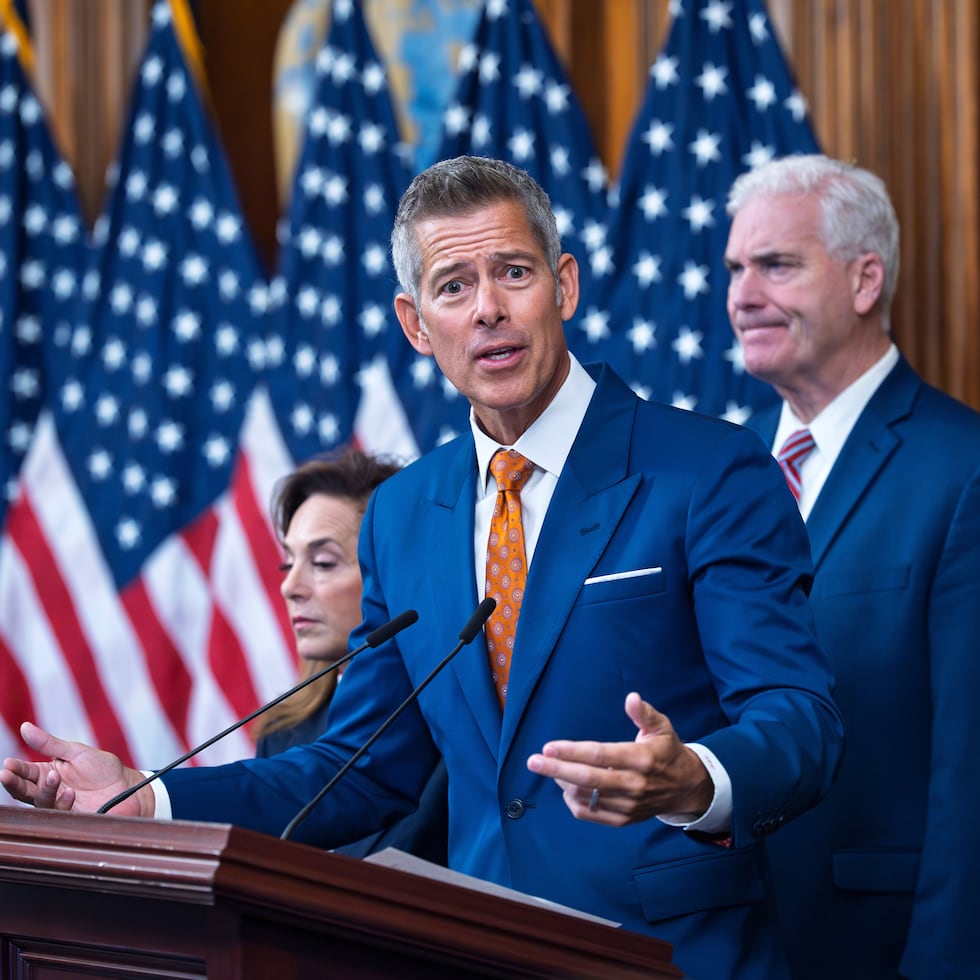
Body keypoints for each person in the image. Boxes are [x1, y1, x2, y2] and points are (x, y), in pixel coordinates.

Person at [1, 156, 846, 980]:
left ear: (565, 287)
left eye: (513, 272)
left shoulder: (707, 472)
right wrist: (151, 798)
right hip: (478, 948)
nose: (487, 310)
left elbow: (798, 719)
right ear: (416, 324)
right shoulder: (404, 513)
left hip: (668, 954)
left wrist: (694, 778)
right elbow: (364, 765)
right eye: (453, 286)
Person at [724, 153, 980, 979]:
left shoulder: (963, 469)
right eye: (734, 269)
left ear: (865, 279)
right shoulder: (719, 472)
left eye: (776, 266)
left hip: (876, 944)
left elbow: (969, 770)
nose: (742, 296)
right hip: (714, 940)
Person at [254, 448, 448, 863]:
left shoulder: (453, 718)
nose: (291, 586)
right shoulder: (285, 730)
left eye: (323, 563)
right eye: (288, 562)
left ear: (390, 574)